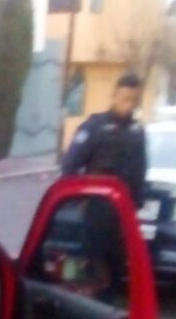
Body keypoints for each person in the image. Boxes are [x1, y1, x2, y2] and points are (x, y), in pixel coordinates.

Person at [61, 73, 148, 300]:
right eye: (124, 98)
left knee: (117, 264)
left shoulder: (137, 131)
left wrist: (137, 205)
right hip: (98, 208)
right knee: (94, 262)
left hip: (123, 211)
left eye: (133, 100)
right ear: (114, 96)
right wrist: (79, 200)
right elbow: (70, 166)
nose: (128, 105)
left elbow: (140, 170)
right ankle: (92, 309)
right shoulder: (95, 127)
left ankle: (110, 309)